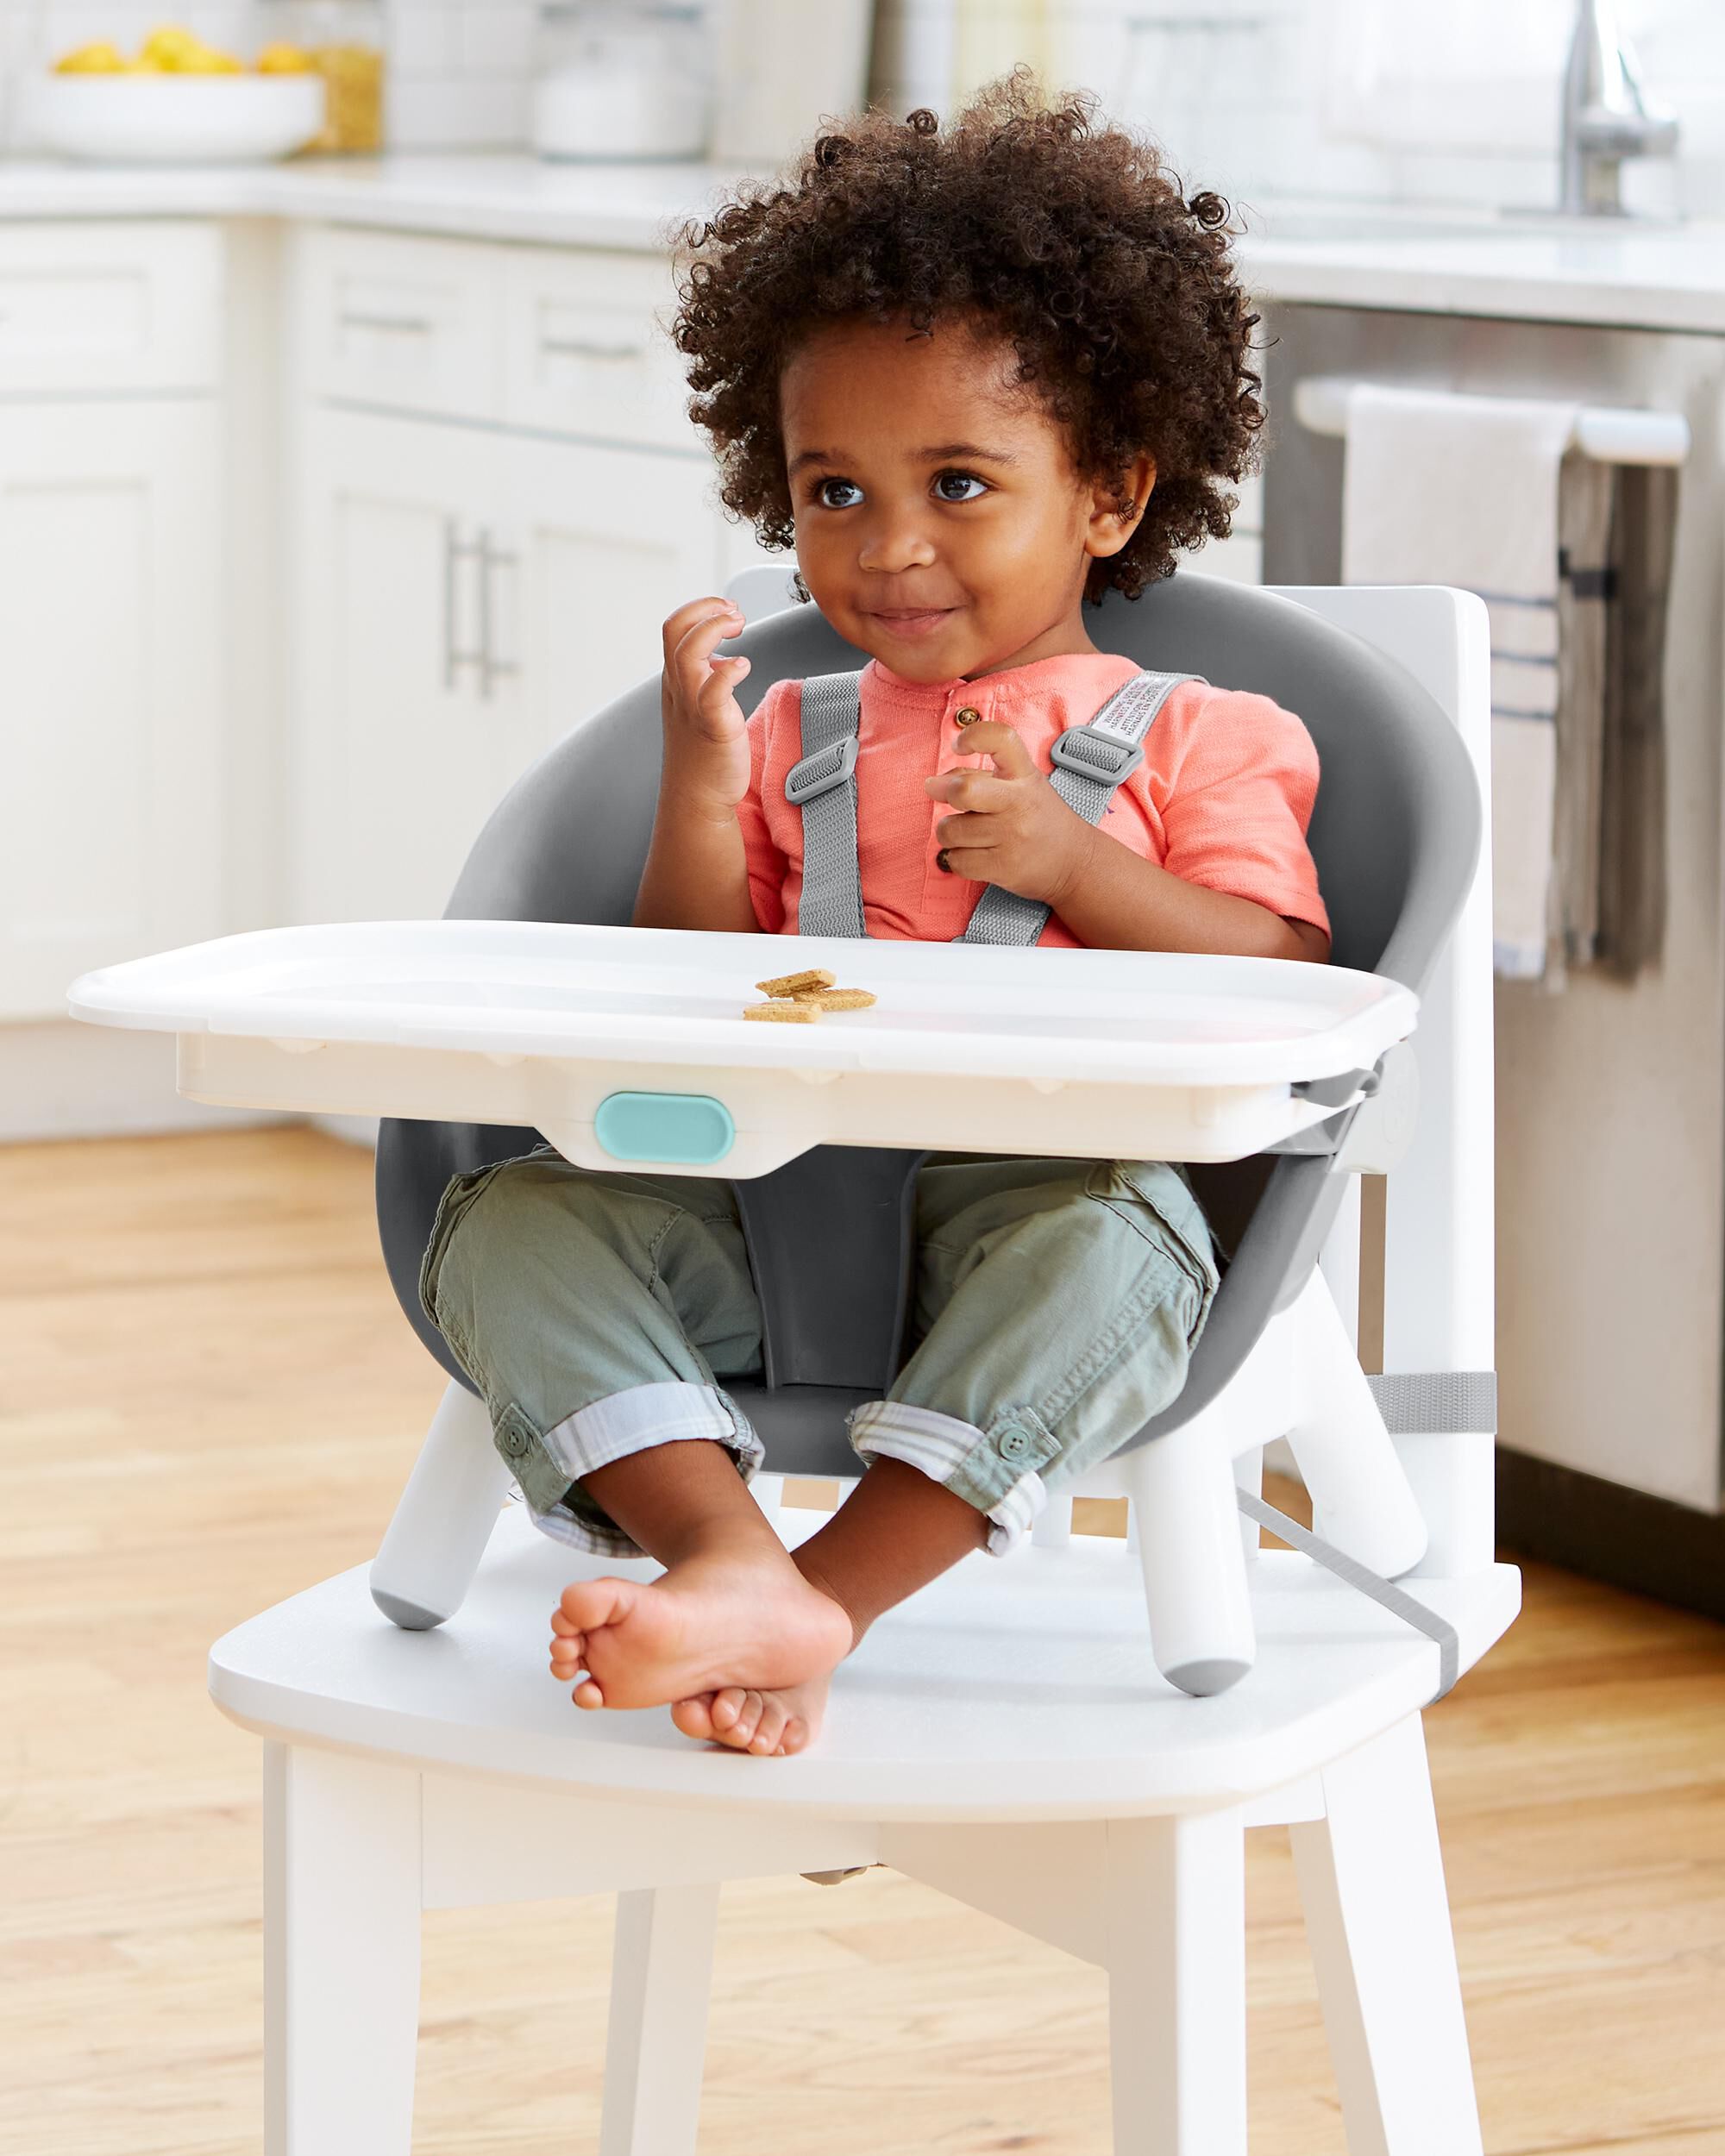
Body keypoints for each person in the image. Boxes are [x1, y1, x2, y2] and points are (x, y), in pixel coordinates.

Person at [417, 75, 1330, 1758]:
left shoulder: (1208, 732)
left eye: (960, 484)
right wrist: (702, 784)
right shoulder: (794, 734)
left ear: (1112, 495)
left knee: (1121, 1252)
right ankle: (722, 1552)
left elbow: (1288, 983)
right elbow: (697, 990)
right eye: (833, 491)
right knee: (506, 1221)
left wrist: (1072, 864)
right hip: (767, 1214)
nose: (889, 546)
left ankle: (824, 1593)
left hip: (1037, 1213)